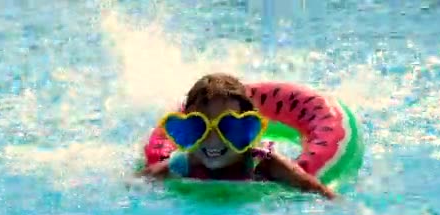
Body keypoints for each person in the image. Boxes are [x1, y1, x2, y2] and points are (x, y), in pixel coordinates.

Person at [138, 73, 336, 199]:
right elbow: (137, 182)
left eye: (228, 126)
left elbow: (316, 190)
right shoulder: (185, 164)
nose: (213, 139)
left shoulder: (263, 163)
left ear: (247, 127)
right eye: (199, 126)